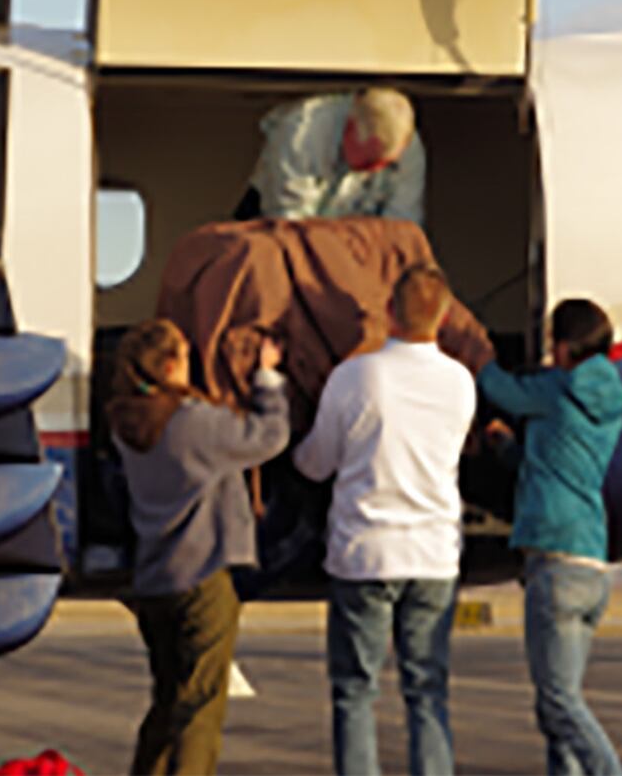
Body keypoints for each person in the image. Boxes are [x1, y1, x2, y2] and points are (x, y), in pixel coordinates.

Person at [292, 263, 475, 776]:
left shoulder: (356, 376)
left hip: (365, 553)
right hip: (434, 555)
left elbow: (316, 463)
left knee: (355, 691)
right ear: (443, 318)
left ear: (390, 311)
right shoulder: (460, 383)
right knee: (427, 692)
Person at [107, 318, 290, 776]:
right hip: (203, 578)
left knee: (168, 700)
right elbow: (269, 437)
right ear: (171, 365)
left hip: (155, 579)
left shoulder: (127, 423)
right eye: (186, 355)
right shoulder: (192, 423)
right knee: (201, 707)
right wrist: (268, 378)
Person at [476, 300, 622, 776]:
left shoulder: (559, 387)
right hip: (591, 563)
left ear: (564, 347)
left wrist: (474, 348)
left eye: (550, 343)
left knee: (559, 703)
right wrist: (507, 447)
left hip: (555, 564)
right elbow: (553, 462)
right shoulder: (607, 400)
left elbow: (499, 388)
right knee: (559, 706)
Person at [234, 88, 426, 224]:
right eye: (370, 162)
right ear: (350, 129)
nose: (376, 170)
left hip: (355, 240)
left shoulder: (407, 147)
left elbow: (402, 227)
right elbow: (288, 222)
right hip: (275, 227)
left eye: (387, 164)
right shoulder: (301, 131)